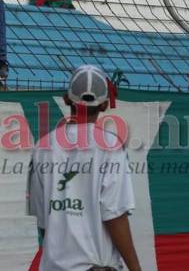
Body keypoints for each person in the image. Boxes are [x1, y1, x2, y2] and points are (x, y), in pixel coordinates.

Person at [28, 65, 141, 271]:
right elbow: (114, 215)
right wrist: (135, 268)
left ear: (66, 98)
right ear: (105, 105)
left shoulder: (42, 147)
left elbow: (44, 219)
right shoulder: (110, 146)